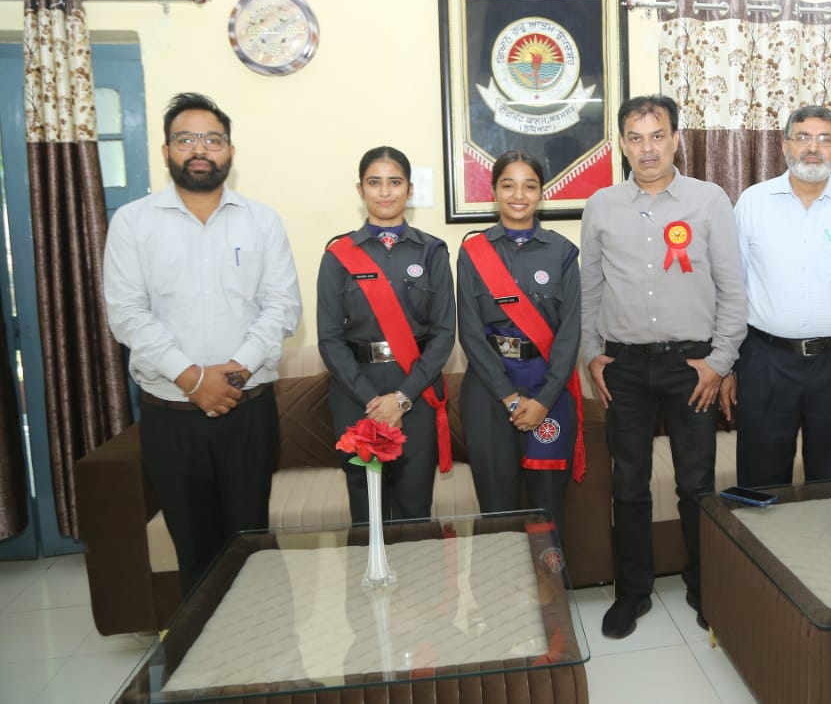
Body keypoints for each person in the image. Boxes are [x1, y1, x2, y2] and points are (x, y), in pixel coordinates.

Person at [104, 92, 302, 595]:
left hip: (248, 412)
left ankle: (264, 644)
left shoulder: (262, 220)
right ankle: (203, 646)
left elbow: (282, 306)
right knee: (194, 554)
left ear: (229, 151)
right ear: (166, 150)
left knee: (253, 547)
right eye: (186, 139)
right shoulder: (133, 222)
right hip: (170, 415)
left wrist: (233, 372)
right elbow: (128, 314)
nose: (199, 149)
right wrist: (193, 379)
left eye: (212, 139)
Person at [580, 94, 746, 638]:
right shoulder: (601, 205)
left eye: (657, 136)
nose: (647, 148)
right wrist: (592, 354)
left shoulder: (709, 200)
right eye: (635, 137)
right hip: (624, 368)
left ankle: (704, 586)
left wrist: (719, 362)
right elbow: (589, 288)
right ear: (622, 145)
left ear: (676, 139)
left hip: (692, 368)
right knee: (627, 485)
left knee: (696, 485)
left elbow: (733, 289)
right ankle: (633, 593)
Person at [722, 105, 831, 487]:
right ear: (784, 145)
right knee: (761, 486)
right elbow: (732, 290)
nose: (813, 148)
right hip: (765, 363)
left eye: (824, 139)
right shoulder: (753, 202)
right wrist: (726, 365)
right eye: (802, 137)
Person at [316, 146, 456, 523]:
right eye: (374, 182)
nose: (384, 192)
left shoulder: (432, 252)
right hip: (356, 392)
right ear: (360, 190)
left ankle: (418, 568)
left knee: (414, 508)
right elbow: (329, 338)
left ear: (409, 189)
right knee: (367, 510)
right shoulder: (338, 255)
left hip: (416, 389)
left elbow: (444, 333)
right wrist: (372, 401)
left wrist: (402, 399)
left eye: (394, 182)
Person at [456, 151, 583, 532]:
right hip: (488, 388)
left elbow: (570, 331)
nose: (518, 195)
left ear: (541, 193)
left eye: (529, 186)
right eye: (508, 185)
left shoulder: (562, 252)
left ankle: (548, 574)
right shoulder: (473, 252)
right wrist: (509, 397)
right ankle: (503, 575)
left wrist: (544, 400)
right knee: (497, 507)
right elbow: (470, 332)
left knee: (547, 508)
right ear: (494, 191)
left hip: (549, 388)